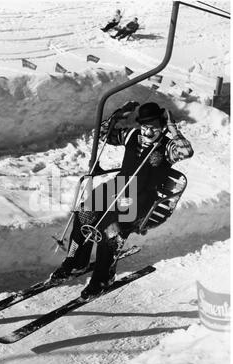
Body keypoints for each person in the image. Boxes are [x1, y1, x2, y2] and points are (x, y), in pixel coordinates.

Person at [50, 101, 194, 299]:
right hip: (119, 186)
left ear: (161, 126)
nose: (147, 131)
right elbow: (102, 134)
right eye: (144, 125)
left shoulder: (167, 146)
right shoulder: (132, 136)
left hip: (142, 196)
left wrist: (173, 129)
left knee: (110, 229)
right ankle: (76, 260)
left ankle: (103, 277)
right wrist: (118, 116)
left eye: (153, 126)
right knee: (84, 213)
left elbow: (187, 151)